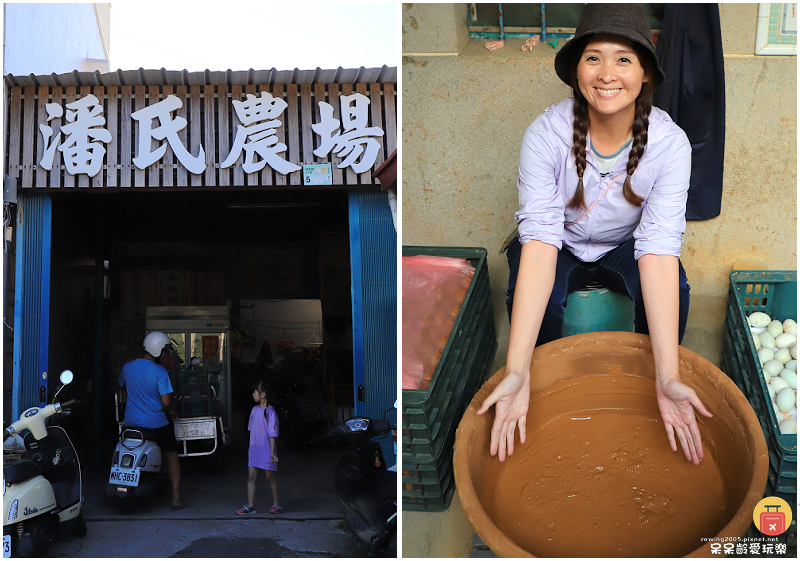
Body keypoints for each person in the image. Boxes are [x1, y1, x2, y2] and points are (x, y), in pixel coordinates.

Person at [478, 4, 712, 466]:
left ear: (646, 73)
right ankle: (537, 388)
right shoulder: (546, 134)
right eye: (593, 57)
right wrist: (516, 367)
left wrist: (669, 374)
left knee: (675, 290)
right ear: (576, 71)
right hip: (559, 243)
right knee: (537, 290)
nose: (608, 74)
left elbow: (659, 249)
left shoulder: (669, 144)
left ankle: (655, 387)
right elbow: (542, 241)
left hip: (625, 246)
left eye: (624, 59)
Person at [119, 331, 187, 510]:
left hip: (131, 424)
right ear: (157, 350)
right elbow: (166, 402)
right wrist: (171, 410)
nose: (165, 355)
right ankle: (176, 498)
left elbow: (121, 386)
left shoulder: (128, 367)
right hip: (156, 424)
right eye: (164, 351)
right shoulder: (160, 371)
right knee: (172, 455)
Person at [236, 378, 281, 515]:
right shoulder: (254, 410)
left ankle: (276, 504)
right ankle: (251, 506)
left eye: (255, 391)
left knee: (269, 476)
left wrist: (272, 453)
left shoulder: (270, 412)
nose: (253, 394)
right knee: (251, 476)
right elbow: (251, 430)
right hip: (254, 449)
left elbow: (272, 434)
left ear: (262, 394)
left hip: (267, 449)